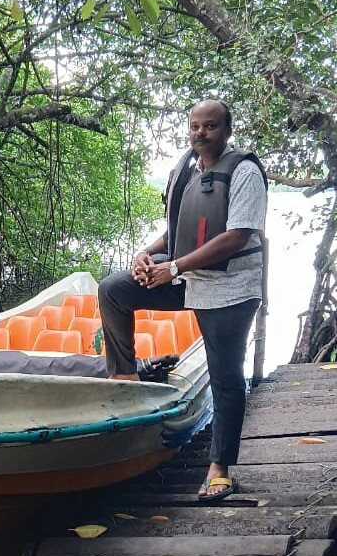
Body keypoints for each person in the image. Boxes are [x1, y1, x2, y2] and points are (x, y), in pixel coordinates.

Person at [98, 99, 267, 501]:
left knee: (226, 376)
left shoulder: (244, 171)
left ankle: (220, 468)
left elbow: (236, 236)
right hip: (186, 278)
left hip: (229, 288)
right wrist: (147, 253)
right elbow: (178, 229)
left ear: (226, 131)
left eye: (209, 126)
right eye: (194, 126)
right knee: (114, 290)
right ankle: (125, 376)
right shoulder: (187, 169)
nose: (199, 133)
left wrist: (171, 268)